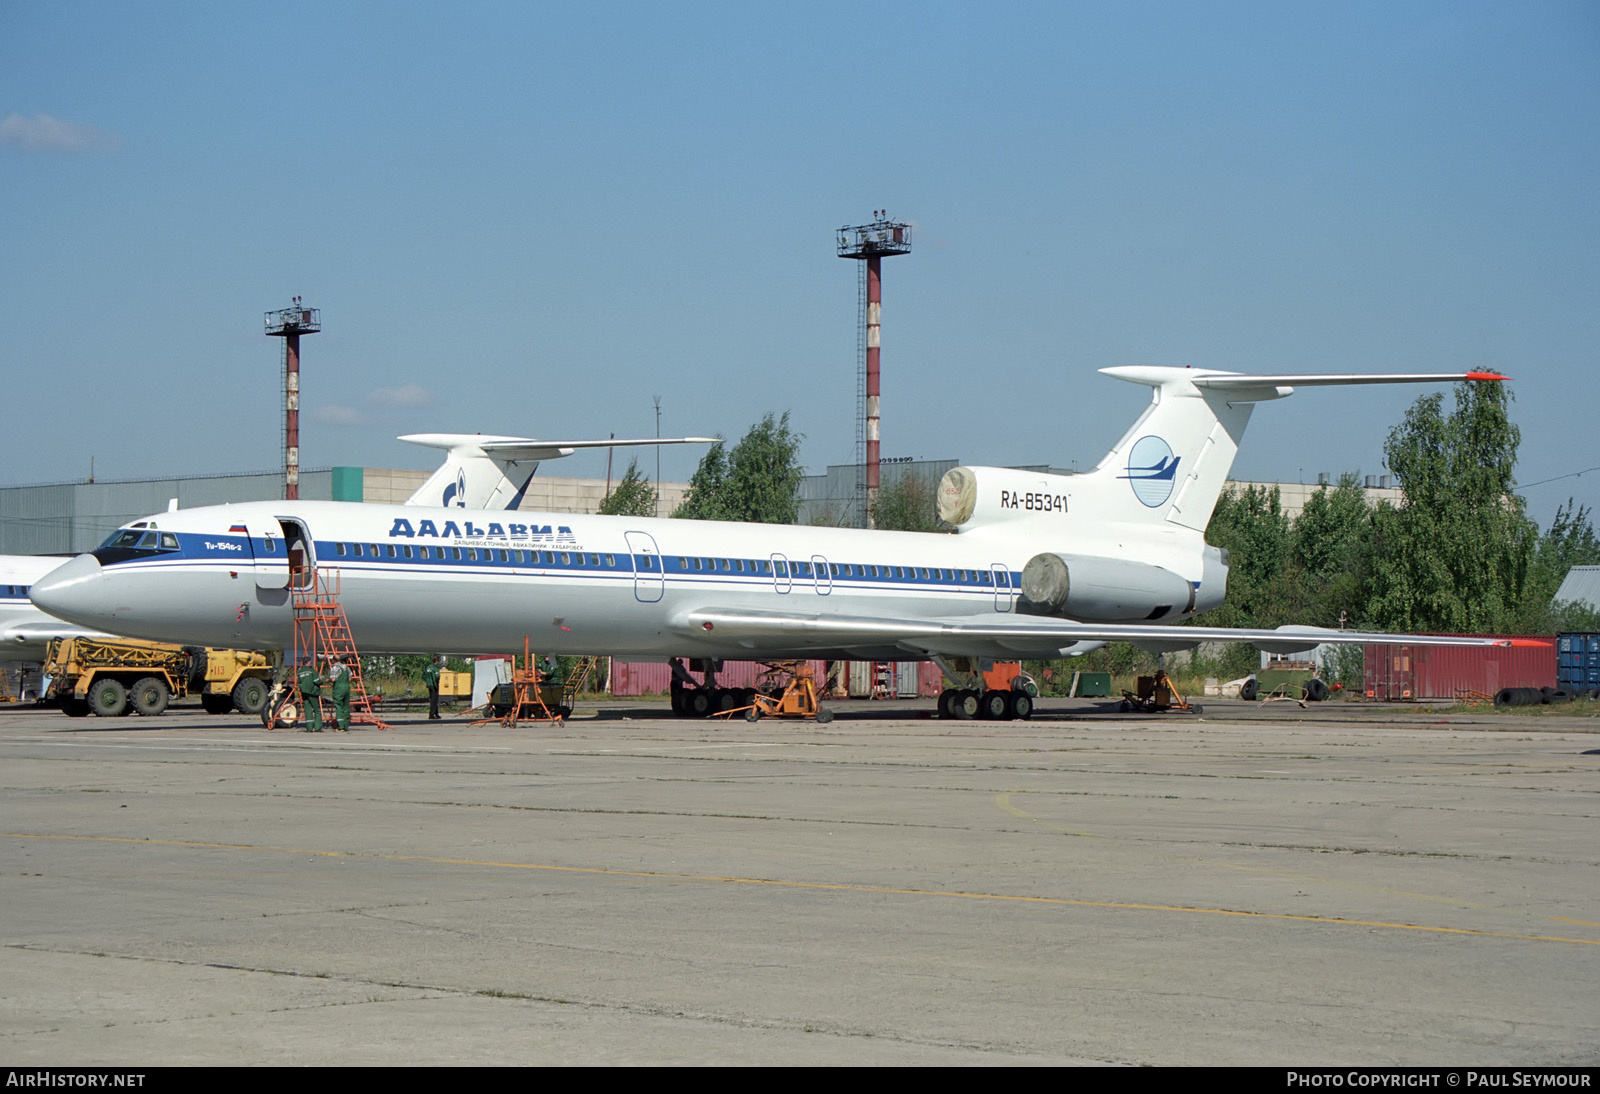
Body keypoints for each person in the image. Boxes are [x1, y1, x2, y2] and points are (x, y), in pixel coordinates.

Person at [297, 662, 324, 732]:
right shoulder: (312, 671)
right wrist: (322, 681)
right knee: (317, 710)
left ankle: (309, 727)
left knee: (308, 709)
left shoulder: (300, 671)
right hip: (312, 692)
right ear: (308, 663)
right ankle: (317, 727)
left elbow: (299, 681)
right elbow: (316, 681)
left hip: (304, 692)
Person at [328, 655, 352, 732]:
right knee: (346, 706)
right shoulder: (346, 667)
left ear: (333, 660)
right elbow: (350, 678)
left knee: (338, 706)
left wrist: (327, 680)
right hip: (347, 687)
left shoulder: (335, 668)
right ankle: (346, 725)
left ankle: (341, 726)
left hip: (339, 688)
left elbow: (333, 679)